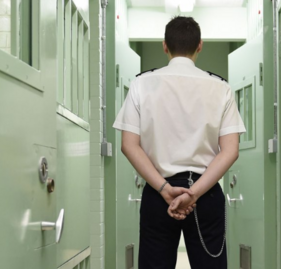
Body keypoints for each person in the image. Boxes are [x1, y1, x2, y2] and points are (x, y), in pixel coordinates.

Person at [113, 16, 245, 269]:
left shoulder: (141, 84)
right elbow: (230, 151)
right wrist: (193, 193)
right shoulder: (221, 88)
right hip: (204, 195)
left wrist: (164, 189)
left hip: (158, 193)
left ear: (165, 46)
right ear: (200, 46)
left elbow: (128, 145)